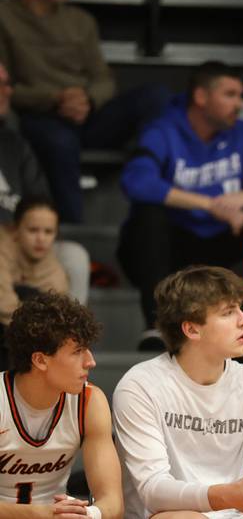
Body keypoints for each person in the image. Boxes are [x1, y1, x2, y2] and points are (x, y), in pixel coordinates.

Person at [112, 265, 243, 519]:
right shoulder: (140, 386)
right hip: (173, 513)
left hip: (239, 510)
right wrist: (224, 495)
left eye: (240, 309)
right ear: (192, 329)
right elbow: (153, 489)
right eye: (228, 312)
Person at [118, 61, 243, 338]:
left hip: (222, 244)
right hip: (171, 245)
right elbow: (136, 181)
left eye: (240, 96)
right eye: (230, 95)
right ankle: (156, 327)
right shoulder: (164, 130)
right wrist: (212, 205)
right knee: (148, 216)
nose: (239, 104)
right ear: (201, 97)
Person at [0, 0, 170, 223]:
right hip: (40, 115)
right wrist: (55, 97)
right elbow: (5, 84)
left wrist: (87, 99)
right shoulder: (4, 15)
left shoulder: (81, 20)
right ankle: (73, 231)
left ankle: (148, 179)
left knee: (156, 95)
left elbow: (104, 78)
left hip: (88, 113)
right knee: (59, 142)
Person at [0, 292, 123, 518]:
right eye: (77, 352)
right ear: (40, 360)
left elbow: (113, 503)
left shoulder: (89, 402)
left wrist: (89, 515)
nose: (90, 361)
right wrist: (38, 514)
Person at [0, 61, 89, 307]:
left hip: (21, 238)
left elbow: (41, 201)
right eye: (1, 85)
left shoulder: (13, 144)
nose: (8, 91)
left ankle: (71, 337)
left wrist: (23, 231)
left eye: (8, 84)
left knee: (74, 256)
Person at [0, 196, 67, 327]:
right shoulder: (3, 251)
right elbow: (3, 304)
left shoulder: (55, 274)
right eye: (33, 230)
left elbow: (57, 320)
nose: (41, 238)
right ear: (16, 229)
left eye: (48, 232)